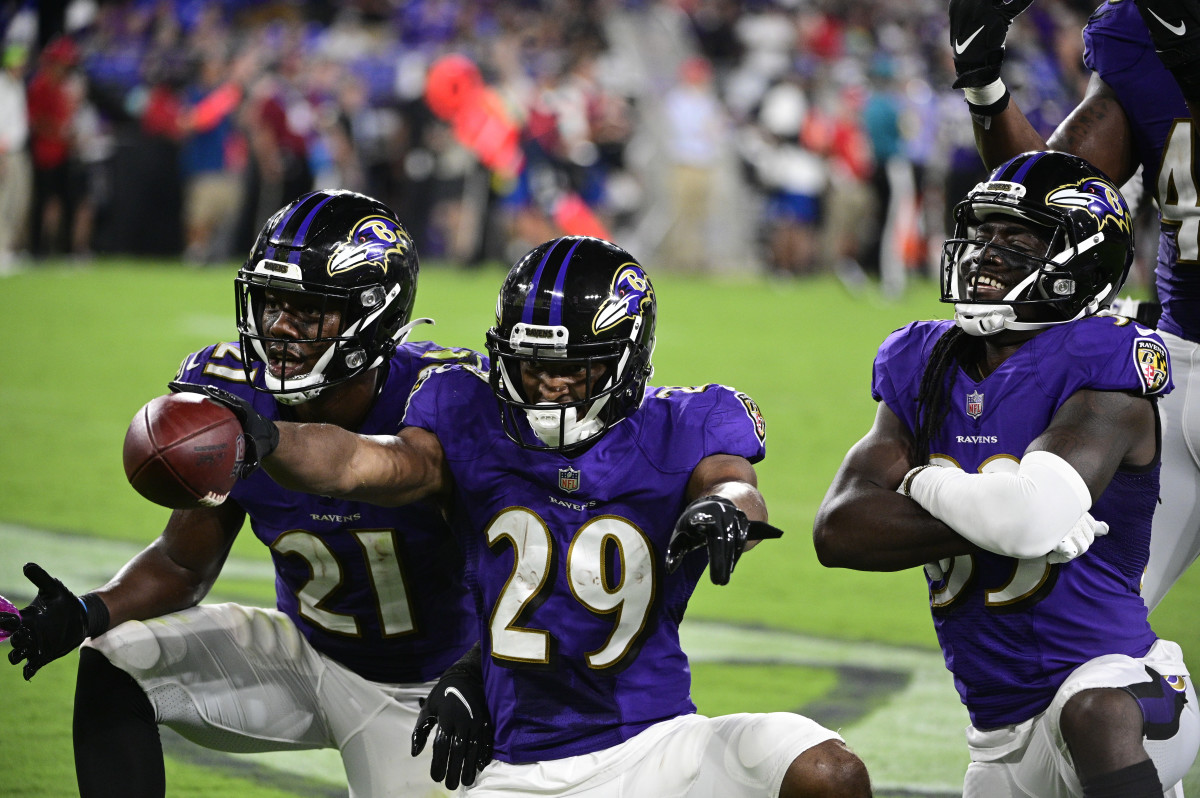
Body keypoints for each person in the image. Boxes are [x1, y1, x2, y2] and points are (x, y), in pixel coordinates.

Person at [175, 234, 873, 798]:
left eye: (575, 368)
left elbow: (731, 483)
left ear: (625, 363)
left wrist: (725, 512)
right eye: (535, 366)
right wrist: (268, 439)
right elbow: (366, 463)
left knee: (824, 771)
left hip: (661, 742)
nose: (551, 385)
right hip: (523, 765)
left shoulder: (683, 421)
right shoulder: (469, 418)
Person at [0, 190, 482, 797]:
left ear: (371, 317)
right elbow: (182, 563)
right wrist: (89, 611)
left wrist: (482, 677)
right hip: (305, 657)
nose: (278, 327)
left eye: (307, 311)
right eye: (271, 303)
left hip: (428, 689)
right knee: (118, 656)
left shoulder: (442, 398)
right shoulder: (231, 395)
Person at [813, 150, 1200, 798]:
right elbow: (840, 530)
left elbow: (1027, 520)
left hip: (1124, 687)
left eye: (1017, 240)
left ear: (1083, 262)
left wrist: (921, 483)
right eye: (985, 234)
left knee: (1093, 711)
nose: (988, 253)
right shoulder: (924, 359)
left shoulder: (1105, 357)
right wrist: (990, 515)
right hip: (997, 733)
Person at [944, 0, 1200, 612]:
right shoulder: (1136, 32)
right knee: (1077, 627)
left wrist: (1190, 72)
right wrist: (983, 81)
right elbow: (1063, 194)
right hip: (1183, 361)